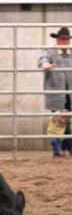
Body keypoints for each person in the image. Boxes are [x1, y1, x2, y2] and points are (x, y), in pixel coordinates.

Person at [38, 27, 72, 157]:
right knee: (57, 121)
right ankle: (58, 150)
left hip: (69, 93)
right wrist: (45, 64)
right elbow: (42, 60)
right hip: (56, 93)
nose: (63, 42)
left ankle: (63, 149)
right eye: (61, 39)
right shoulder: (50, 52)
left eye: (65, 39)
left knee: (66, 121)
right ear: (57, 40)